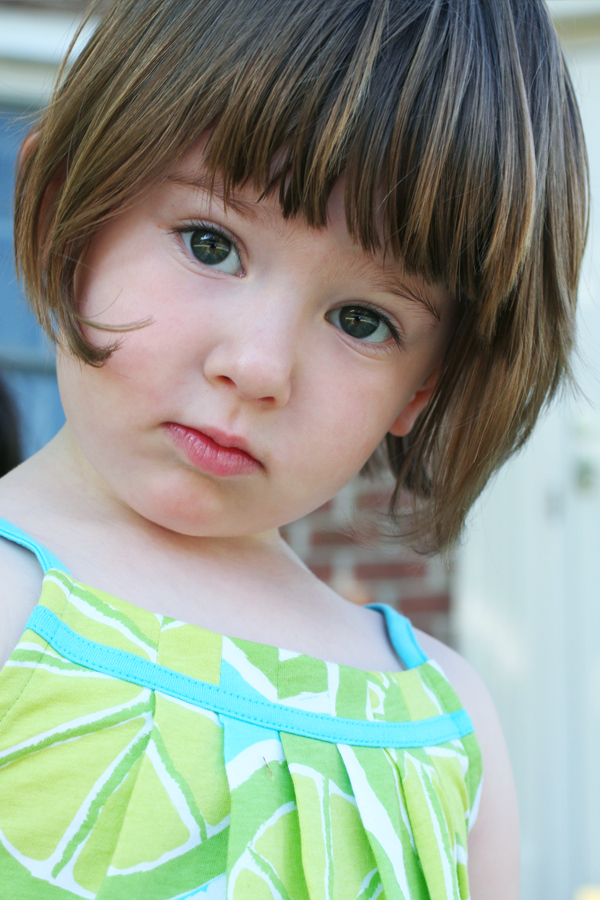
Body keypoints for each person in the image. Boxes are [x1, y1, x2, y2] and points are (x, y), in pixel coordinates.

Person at [0, 0, 587, 897]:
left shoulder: (446, 725)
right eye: (211, 244)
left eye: (363, 320)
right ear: (62, 216)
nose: (259, 366)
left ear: (423, 386)